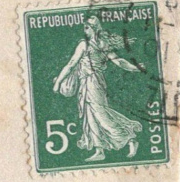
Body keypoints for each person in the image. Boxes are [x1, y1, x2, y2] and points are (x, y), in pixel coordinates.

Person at [53, 15, 143, 162]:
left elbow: (71, 64)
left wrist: (135, 68)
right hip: (88, 82)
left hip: (94, 83)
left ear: (94, 29)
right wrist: (136, 68)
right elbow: (119, 62)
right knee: (90, 115)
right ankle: (99, 149)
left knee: (100, 113)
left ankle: (128, 139)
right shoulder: (99, 45)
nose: (84, 30)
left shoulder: (90, 45)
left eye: (87, 27)